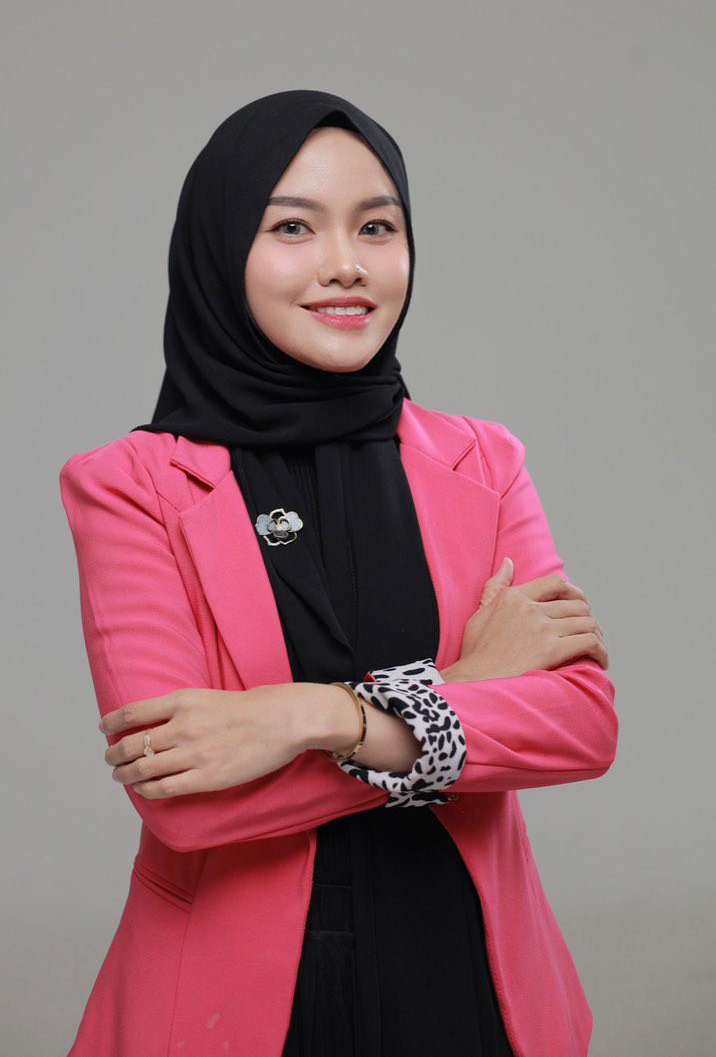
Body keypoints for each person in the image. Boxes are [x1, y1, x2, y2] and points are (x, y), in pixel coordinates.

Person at [58, 89, 618, 1056]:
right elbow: (184, 801)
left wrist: (311, 715)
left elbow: (580, 724)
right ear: (219, 250)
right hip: (235, 1004)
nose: (346, 263)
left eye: (376, 226)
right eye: (292, 227)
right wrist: (464, 687)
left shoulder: (484, 463)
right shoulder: (130, 486)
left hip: (470, 978)